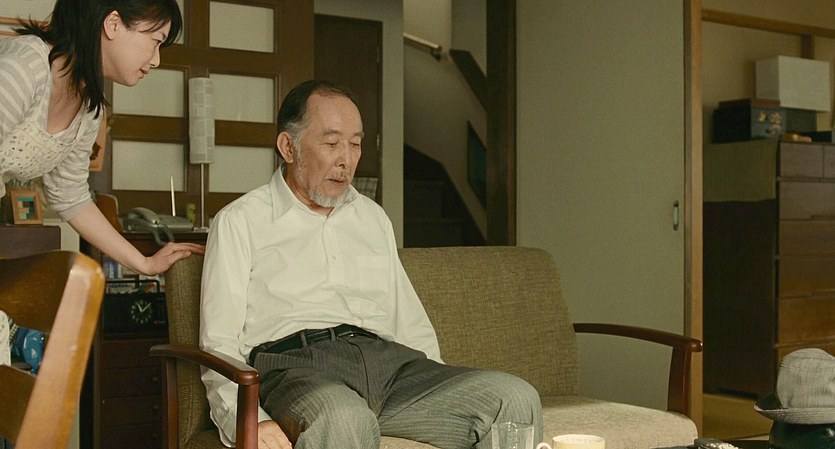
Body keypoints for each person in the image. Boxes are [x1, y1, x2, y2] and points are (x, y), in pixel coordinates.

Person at [200, 79, 543, 449]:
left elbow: (408, 320)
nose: (346, 160)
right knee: (345, 418)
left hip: (391, 369)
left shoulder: (372, 218)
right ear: (288, 147)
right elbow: (218, 342)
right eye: (331, 143)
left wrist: (438, 382)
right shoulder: (240, 221)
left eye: (355, 144)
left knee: (514, 398)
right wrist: (249, 419)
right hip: (298, 367)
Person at [0, 0, 204, 276]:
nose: (156, 60)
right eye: (156, 41)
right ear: (113, 24)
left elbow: (70, 196)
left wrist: (144, 263)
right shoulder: (26, 66)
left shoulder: (89, 108)